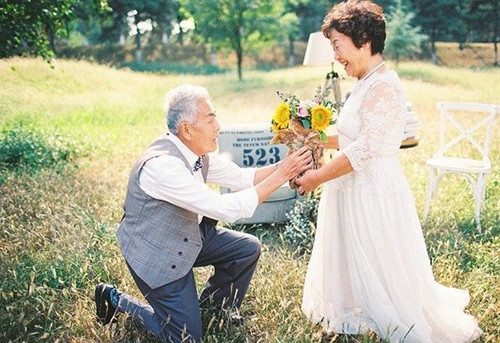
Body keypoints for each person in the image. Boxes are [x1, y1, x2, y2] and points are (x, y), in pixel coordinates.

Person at [295, 1, 482, 342]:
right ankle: (355, 308)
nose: (336, 54)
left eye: (338, 45)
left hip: (372, 191)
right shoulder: (364, 82)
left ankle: (386, 313)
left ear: (363, 40)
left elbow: (363, 150)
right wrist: (311, 136)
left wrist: (315, 178)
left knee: (378, 260)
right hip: (352, 187)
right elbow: (351, 135)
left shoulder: (384, 87)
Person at [94, 84, 313, 342]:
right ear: (186, 129)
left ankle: (214, 309)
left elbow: (243, 177)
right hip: (158, 254)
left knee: (247, 248)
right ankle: (115, 299)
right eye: (210, 119)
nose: (218, 126)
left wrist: (289, 164)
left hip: (189, 237)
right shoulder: (162, 167)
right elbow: (227, 208)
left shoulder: (196, 153)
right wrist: (283, 174)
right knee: (185, 338)